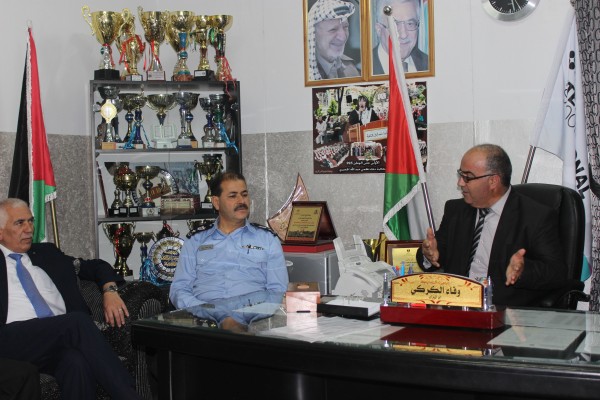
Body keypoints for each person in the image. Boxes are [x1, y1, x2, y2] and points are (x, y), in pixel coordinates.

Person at [0, 198, 141, 400]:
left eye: (30, 221)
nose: (29, 229)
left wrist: (109, 290)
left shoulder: (46, 254)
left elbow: (95, 266)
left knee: (75, 362)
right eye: (19, 223)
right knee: (76, 323)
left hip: (53, 337)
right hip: (11, 339)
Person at [417, 144, 567, 307]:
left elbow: (556, 273)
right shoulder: (456, 210)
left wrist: (523, 270)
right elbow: (437, 252)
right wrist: (428, 255)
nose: (460, 182)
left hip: (505, 312)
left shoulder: (535, 216)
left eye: (467, 177)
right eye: (460, 175)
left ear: (493, 181)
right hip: (457, 307)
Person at [170, 171, 289, 326]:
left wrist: (239, 316)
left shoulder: (267, 239)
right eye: (233, 196)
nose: (241, 201)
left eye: (244, 194)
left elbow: (278, 291)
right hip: (204, 321)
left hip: (253, 320)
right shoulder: (196, 241)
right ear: (216, 202)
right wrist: (209, 311)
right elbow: (179, 289)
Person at [371, 0, 429, 75]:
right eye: (394, 25)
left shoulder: (429, 64)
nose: (403, 35)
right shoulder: (362, 70)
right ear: (379, 29)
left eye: (410, 24)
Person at [307, 0, 360, 80]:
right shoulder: (303, 73)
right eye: (333, 30)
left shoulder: (351, 69)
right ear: (313, 34)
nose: (343, 37)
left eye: (345, 27)